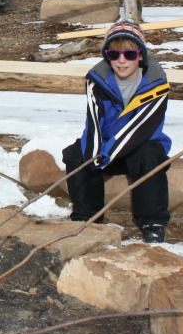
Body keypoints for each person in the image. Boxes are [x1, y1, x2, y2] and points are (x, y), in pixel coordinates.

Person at [62, 20, 172, 243]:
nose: (122, 62)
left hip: (140, 144)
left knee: (151, 155)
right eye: (114, 55)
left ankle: (153, 221)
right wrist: (93, 153)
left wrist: (107, 153)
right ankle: (87, 218)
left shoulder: (156, 83)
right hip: (105, 147)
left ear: (140, 56)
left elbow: (142, 126)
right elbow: (93, 121)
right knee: (76, 153)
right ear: (107, 57)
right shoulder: (96, 82)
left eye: (129, 55)